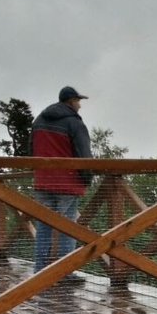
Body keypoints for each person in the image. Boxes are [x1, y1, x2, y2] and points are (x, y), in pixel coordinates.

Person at [31, 85, 93, 275]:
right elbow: (84, 155)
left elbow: (30, 149)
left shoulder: (38, 121)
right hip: (67, 183)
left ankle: (40, 271)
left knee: (44, 226)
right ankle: (66, 271)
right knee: (68, 227)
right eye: (78, 101)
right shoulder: (75, 124)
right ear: (71, 102)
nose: (80, 106)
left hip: (43, 182)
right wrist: (87, 178)